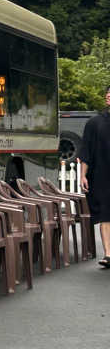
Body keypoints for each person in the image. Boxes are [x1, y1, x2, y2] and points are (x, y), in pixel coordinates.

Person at [78, 85, 110, 268]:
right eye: (107, 93)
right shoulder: (94, 123)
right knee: (105, 214)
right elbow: (86, 152)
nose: (108, 95)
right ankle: (108, 255)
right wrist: (83, 175)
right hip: (101, 176)